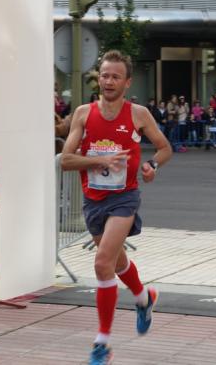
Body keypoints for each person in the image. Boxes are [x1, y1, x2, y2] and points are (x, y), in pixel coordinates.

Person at [60, 50, 171, 365]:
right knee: (116, 263)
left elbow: (164, 148)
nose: (108, 81)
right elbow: (66, 161)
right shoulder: (82, 114)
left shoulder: (138, 114)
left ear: (127, 82)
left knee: (101, 263)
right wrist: (99, 160)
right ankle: (143, 298)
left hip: (124, 198)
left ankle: (102, 343)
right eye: (104, 75)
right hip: (93, 199)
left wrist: (151, 165)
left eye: (115, 76)